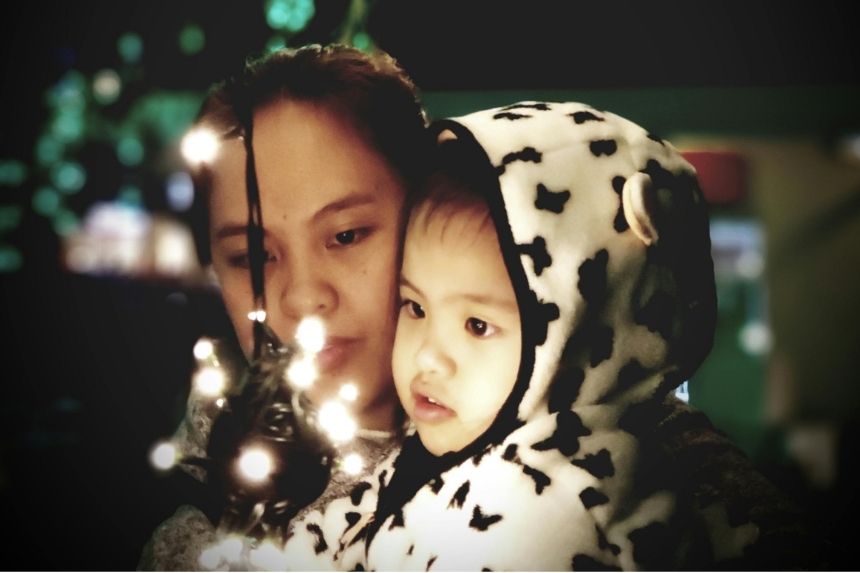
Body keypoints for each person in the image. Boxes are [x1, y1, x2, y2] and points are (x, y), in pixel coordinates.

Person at [284, 102, 814, 570]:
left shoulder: (547, 519)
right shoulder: (446, 446)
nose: (429, 356)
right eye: (415, 306)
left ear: (584, 332)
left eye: (477, 325)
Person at [138, 43, 432, 570]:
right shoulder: (199, 541)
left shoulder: (549, 457)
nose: (301, 297)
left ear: (429, 215)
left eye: (345, 235)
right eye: (253, 255)